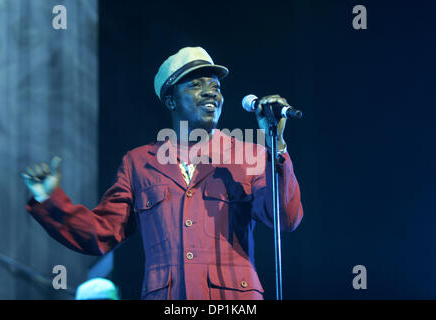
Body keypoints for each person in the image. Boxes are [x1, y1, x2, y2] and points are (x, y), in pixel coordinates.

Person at [22, 47, 303, 300]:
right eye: (196, 85)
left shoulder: (250, 155)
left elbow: (286, 219)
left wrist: (275, 146)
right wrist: (50, 199)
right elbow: (101, 232)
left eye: (215, 86)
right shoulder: (139, 163)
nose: (211, 92)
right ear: (170, 101)